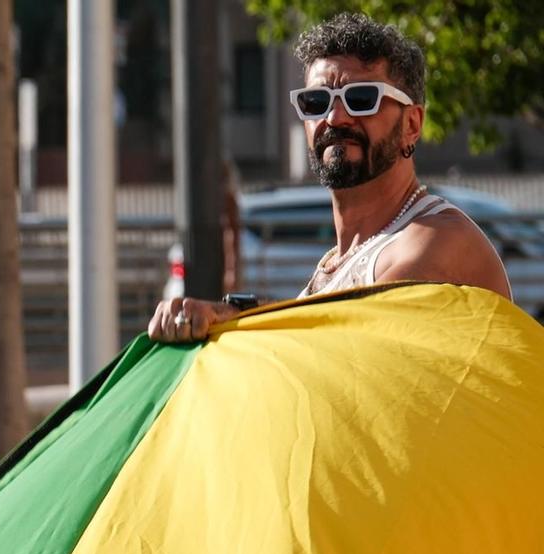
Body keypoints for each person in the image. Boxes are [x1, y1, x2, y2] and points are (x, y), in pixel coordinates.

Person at [149, 12, 509, 343]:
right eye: (316, 102)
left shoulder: (436, 239)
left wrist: (232, 317)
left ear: (411, 124)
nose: (336, 118)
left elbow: (344, 335)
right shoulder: (340, 259)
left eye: (362, 98)